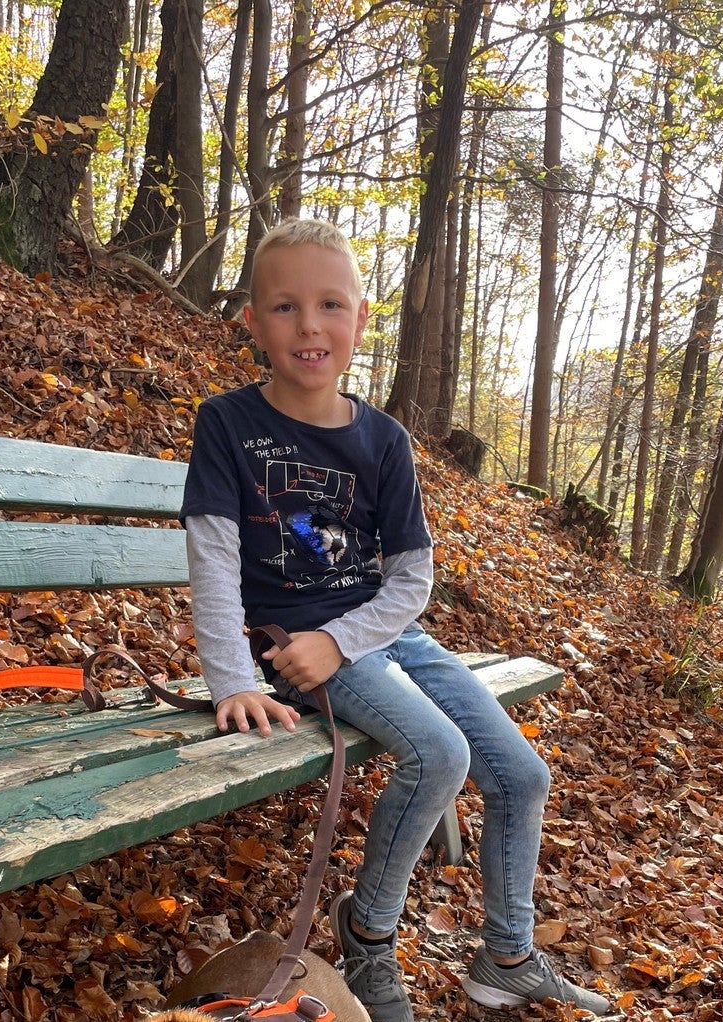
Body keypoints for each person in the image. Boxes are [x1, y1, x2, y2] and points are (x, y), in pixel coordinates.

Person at [180, 218, 612, 1021]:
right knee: (438, 754)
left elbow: (411, 579)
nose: (309, 326)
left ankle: (507, 957)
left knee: (522, 774)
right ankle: (368, 937)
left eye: (329, 305)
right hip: (290, 643)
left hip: (372, 632)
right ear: (251, 319)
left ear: (359, 318)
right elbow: (210, 559)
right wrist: (233, 678)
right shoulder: (230, 425)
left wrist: (345, 636)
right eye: (284, 307)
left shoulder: (383, 439)